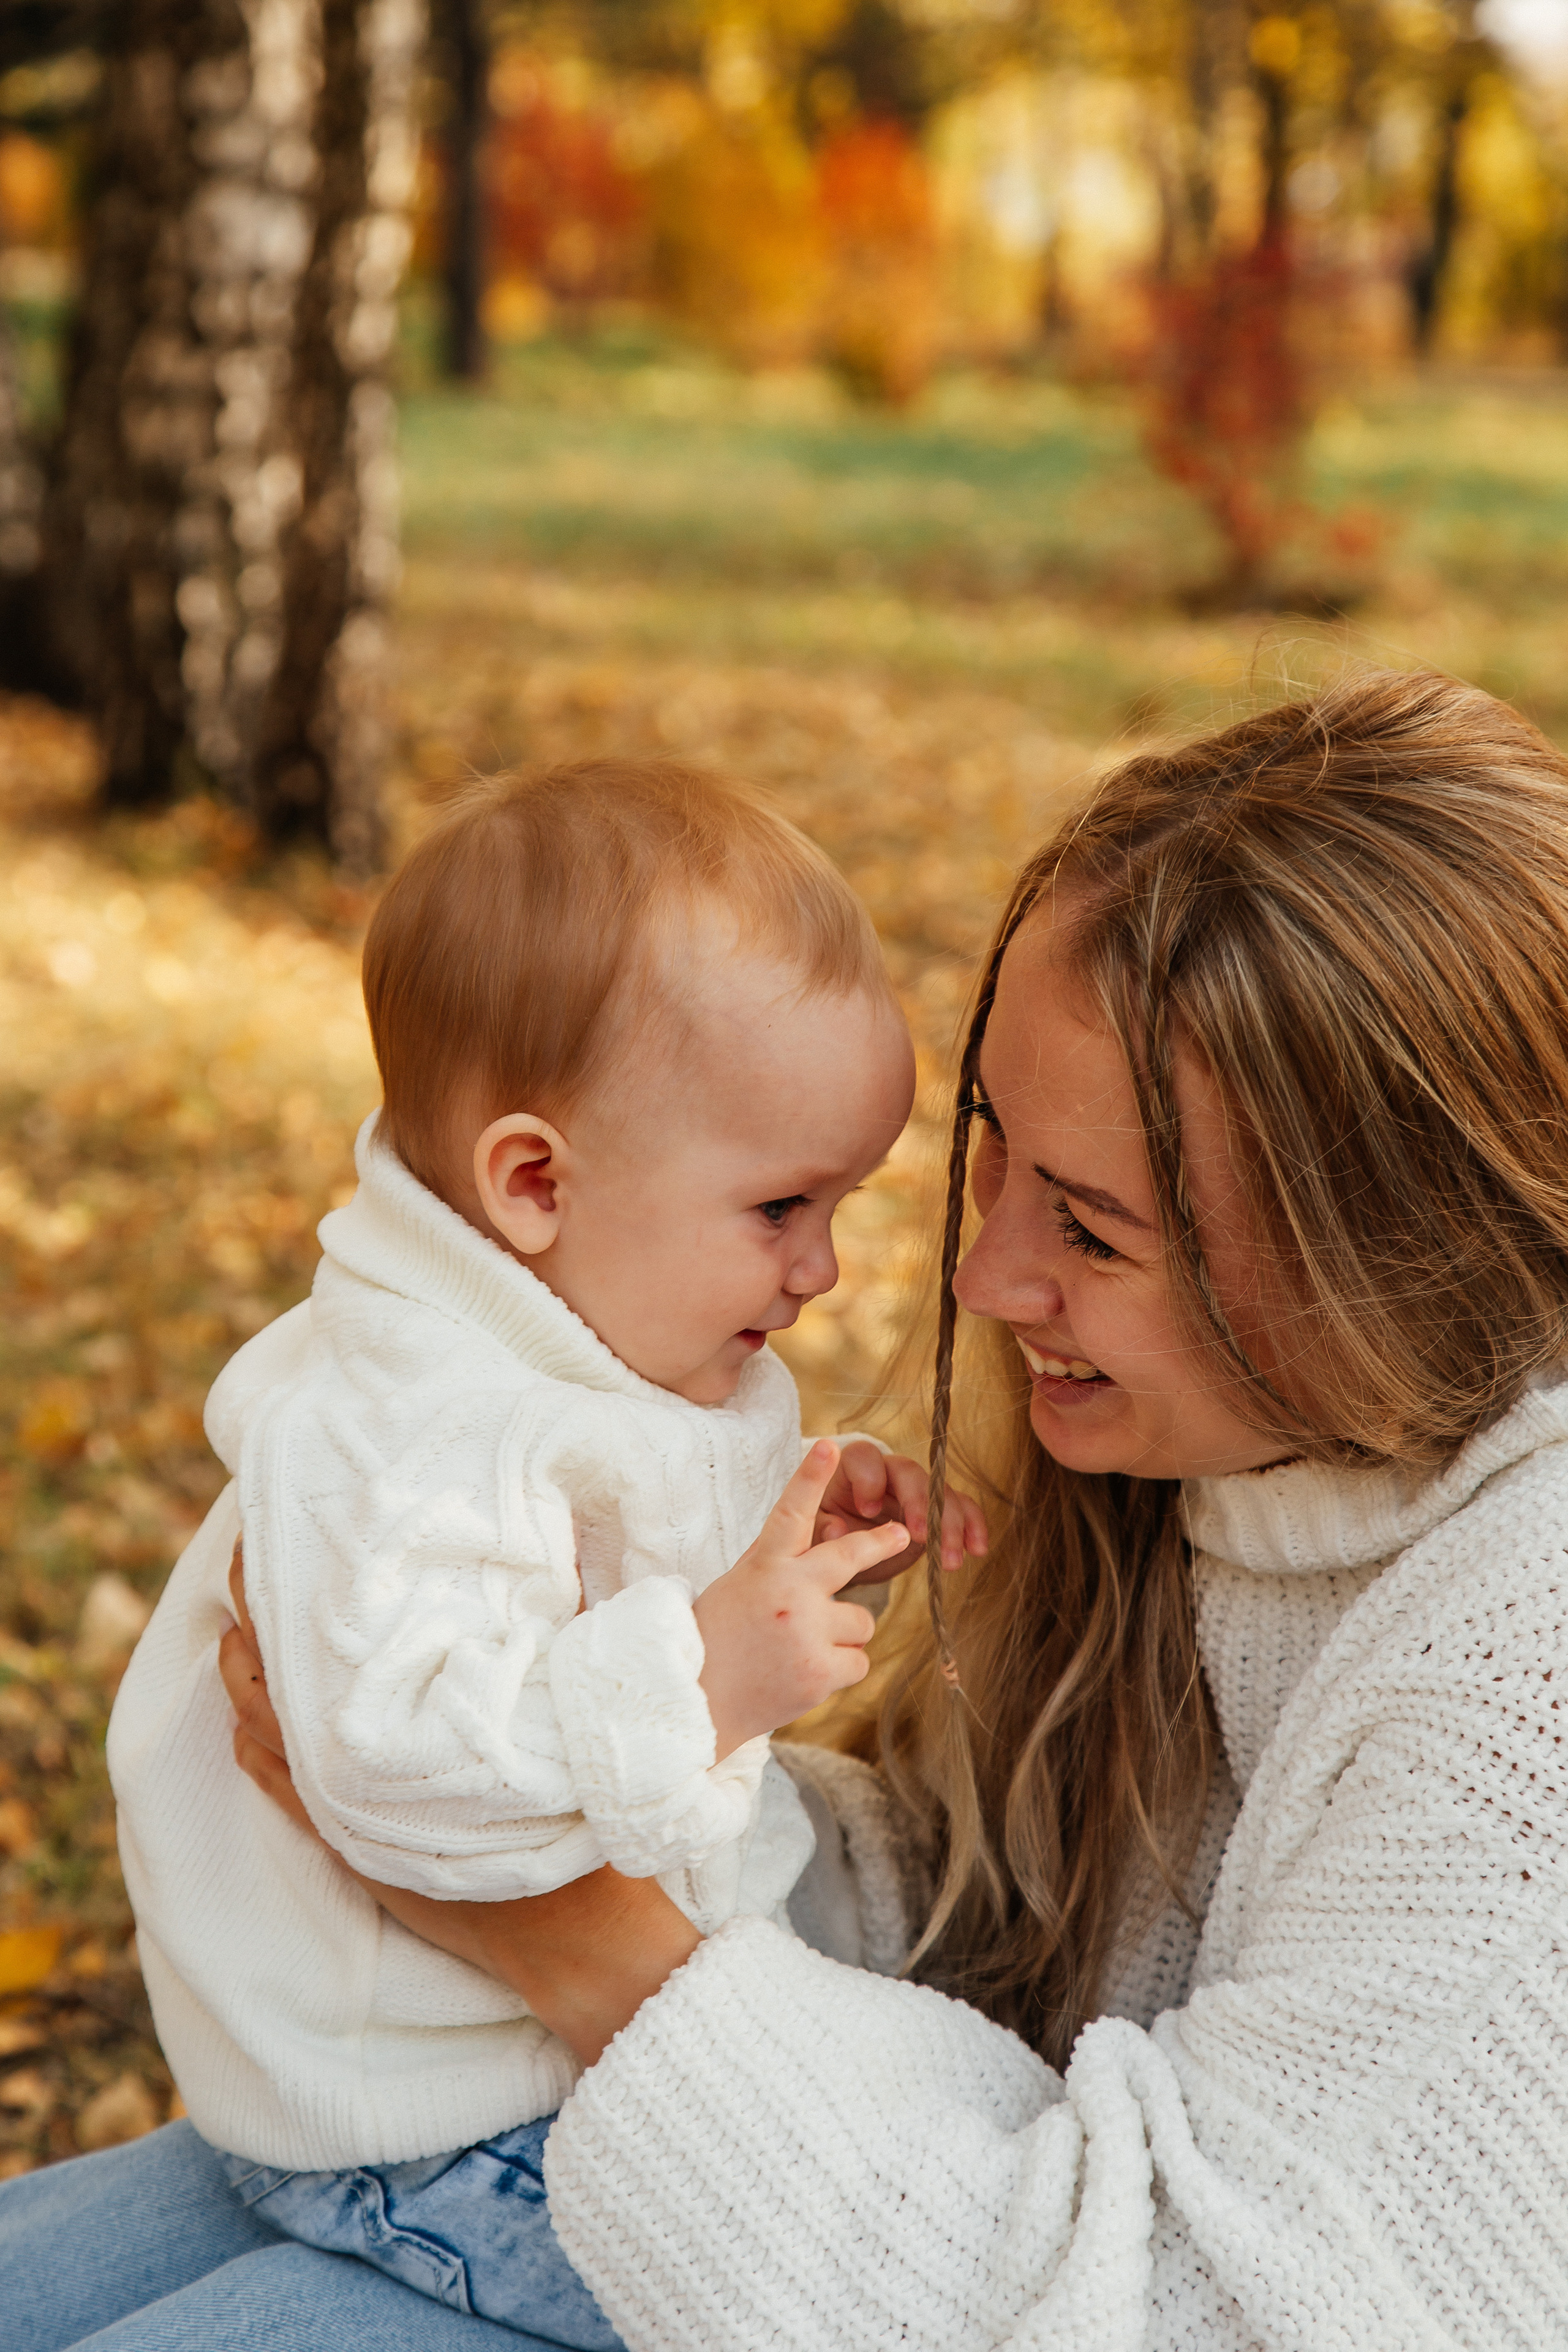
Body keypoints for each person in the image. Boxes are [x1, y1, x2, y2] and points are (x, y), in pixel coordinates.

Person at [9, 668, 1568, 2351]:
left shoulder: (1521, 1683)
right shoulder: (1227, 1470)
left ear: (1396, 1262)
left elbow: (1197, 2315)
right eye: (992, 1152)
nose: (982, 1274)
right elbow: (1027, 1937)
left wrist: (557, 1923)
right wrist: (659, 1696)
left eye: (1095, 1229)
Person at [97, 759, 982, 2340]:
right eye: (783, 1206)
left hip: (554, 2052)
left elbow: (619, 1537)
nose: (827, 1268)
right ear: (532, 1184)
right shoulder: (396, 1433)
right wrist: (707, 1672)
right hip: (440, 2124)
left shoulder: (588, 1324)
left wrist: (799, 1522)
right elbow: (401, 1768)